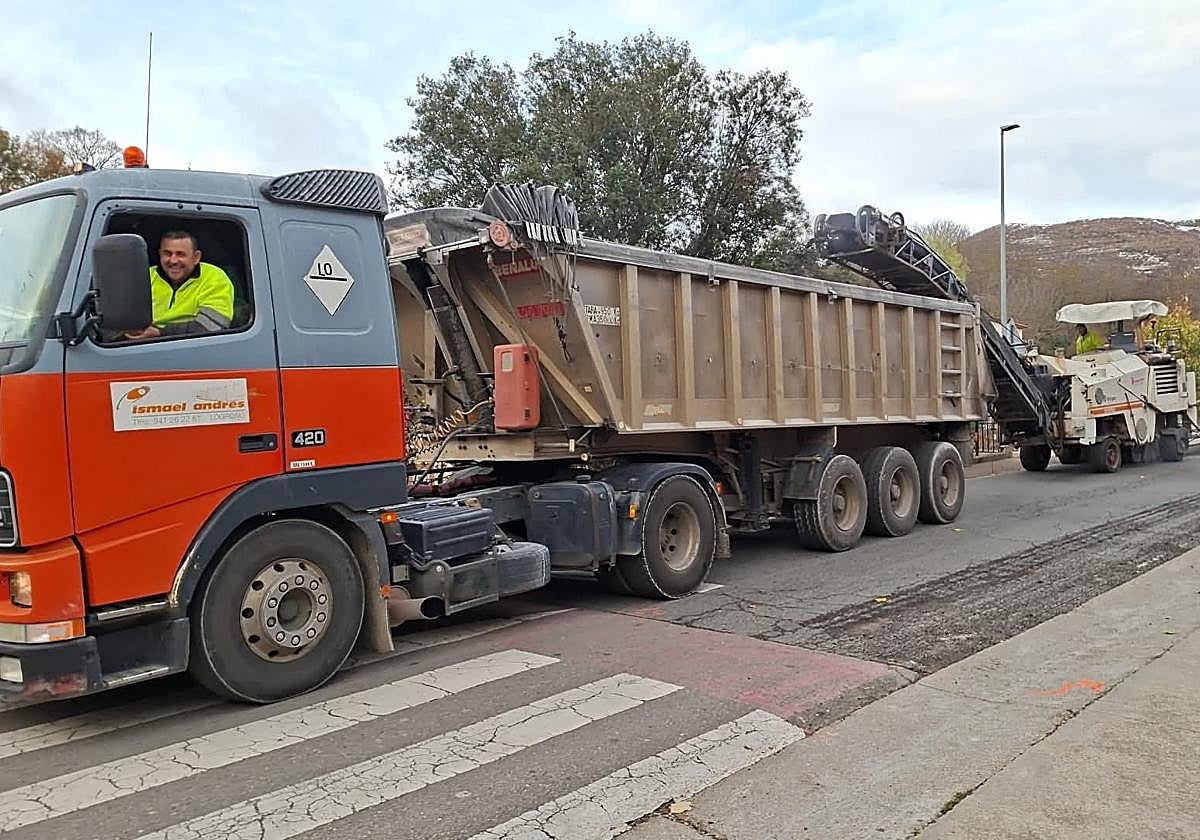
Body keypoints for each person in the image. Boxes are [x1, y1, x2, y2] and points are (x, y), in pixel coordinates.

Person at [124, 231, 235, 340]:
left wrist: (160, 333)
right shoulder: (145, 277)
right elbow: (121, 317)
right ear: (160, 254)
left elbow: (212, 327)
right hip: (140, 346)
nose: (173, 260)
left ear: (196, 257)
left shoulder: (214, 278)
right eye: (167, 253)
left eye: (180, 254)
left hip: (192, 349)